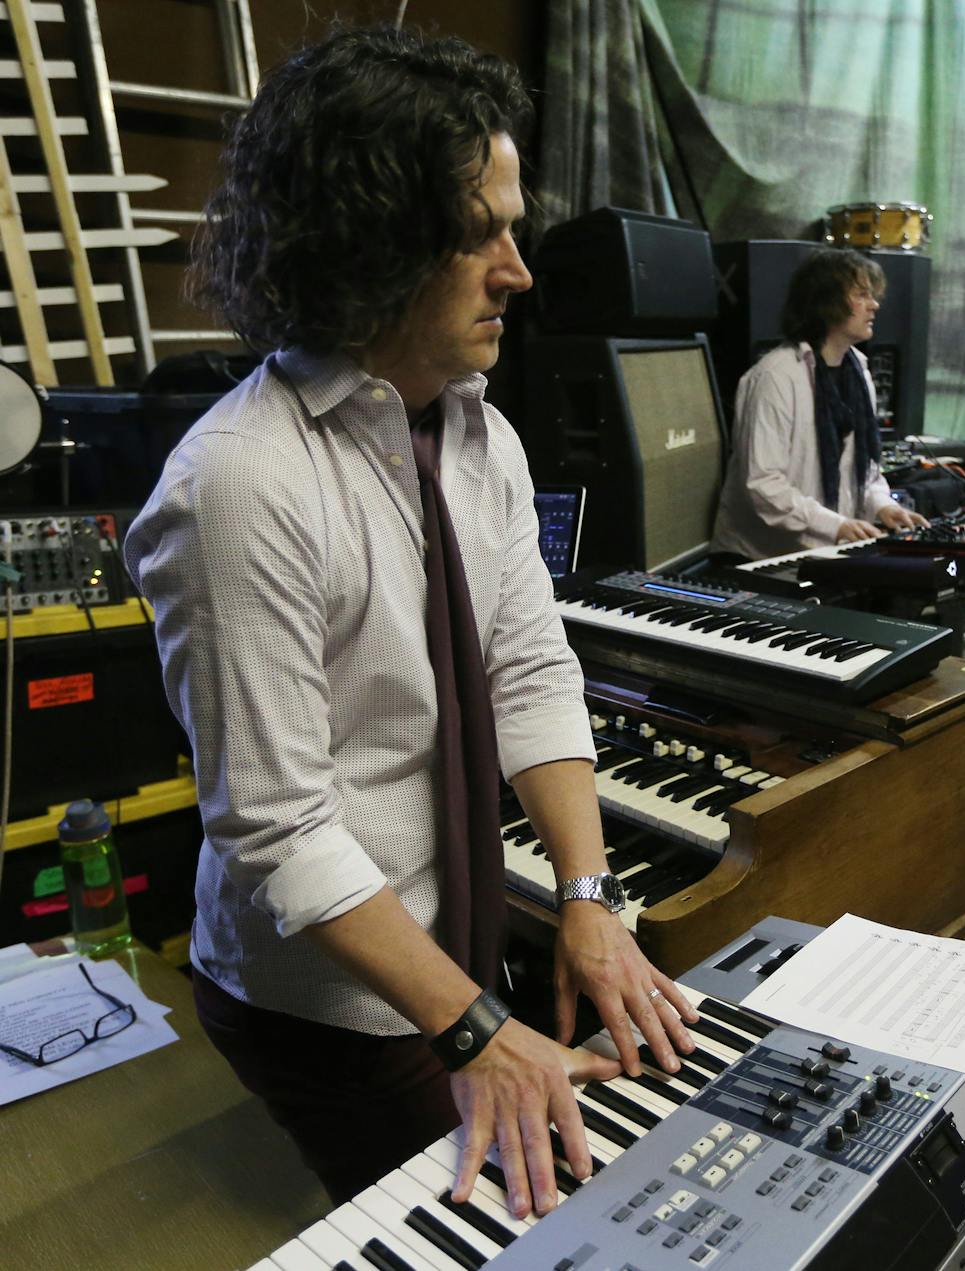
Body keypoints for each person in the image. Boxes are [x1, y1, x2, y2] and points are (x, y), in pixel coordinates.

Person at [123, 26, 696, 1222]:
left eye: (512, 224)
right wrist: (481, 1027)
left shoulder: (478, 430)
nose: (518, 267)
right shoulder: (238, 482)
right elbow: (280, 828)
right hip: (326, 1004)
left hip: (451, 950)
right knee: (537, 1224)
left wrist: (589, 899)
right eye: (478, 232)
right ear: (372, 246)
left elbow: (531, 669)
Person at [710, 247, 928, 561]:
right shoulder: (776, 377)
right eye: (862, 295)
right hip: (760, 558)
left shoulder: (858, 371)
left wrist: (883, 505)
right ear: (827, 303)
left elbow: (862, 473)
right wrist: (835, 525)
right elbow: (763, 484)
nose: (874, 305)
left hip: (823, 552)